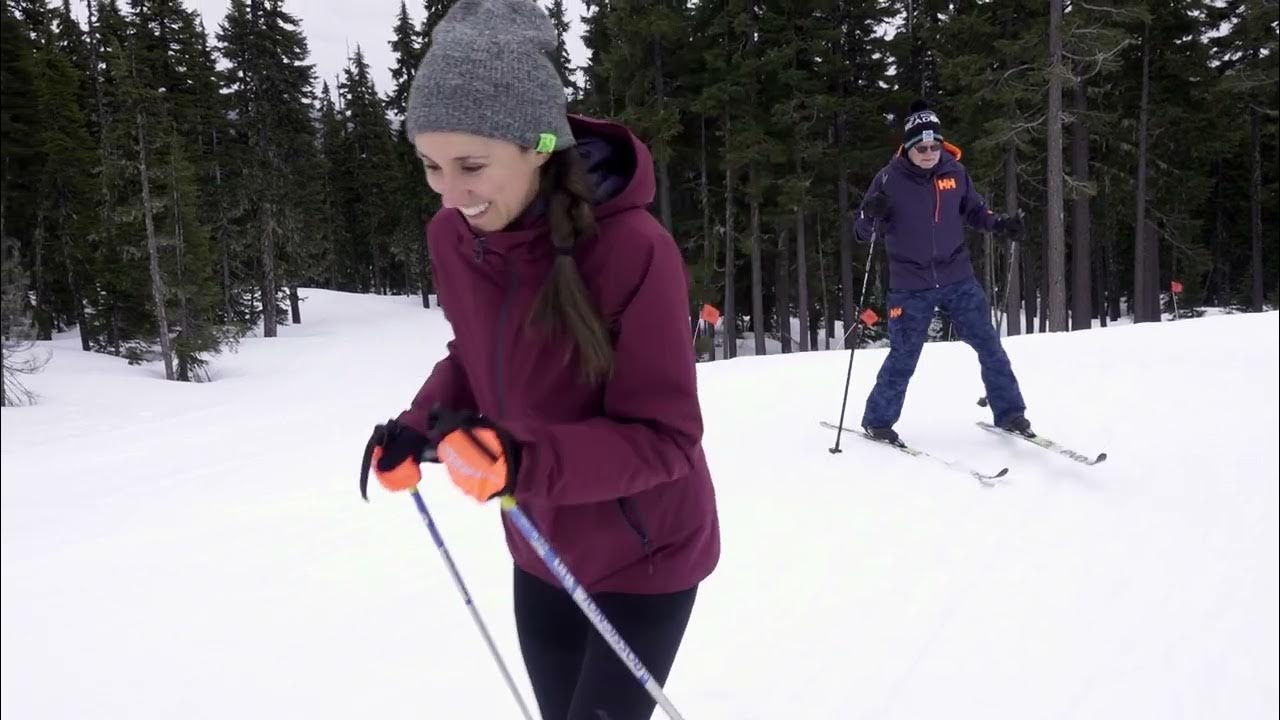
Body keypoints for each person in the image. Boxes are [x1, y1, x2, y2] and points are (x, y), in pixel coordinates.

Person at [362, 1, 719, 718]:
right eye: (430, 165)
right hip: (538, 543)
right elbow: (477, 352)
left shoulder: (632, 249)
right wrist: (419, 426)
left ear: (538, 144)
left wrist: (522, 460)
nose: (451, 193)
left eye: (471, 165)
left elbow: (667, 439)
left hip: (644, 555)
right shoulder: (455, 237)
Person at [852, 99, 1032, 446]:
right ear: (908, 147)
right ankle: (878, 421)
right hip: (910, 283)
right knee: (904, 355)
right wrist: (871, 214)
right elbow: (862, 232)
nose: (929, 153)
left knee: (989, 345)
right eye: (922, 147)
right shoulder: (889, 179)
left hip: (957, 276)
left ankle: (1010, 414)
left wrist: (1002, 225)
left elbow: (976, 212)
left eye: (935, 146)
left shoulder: (955, 172)